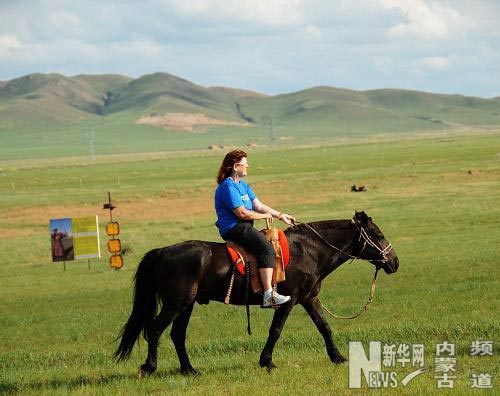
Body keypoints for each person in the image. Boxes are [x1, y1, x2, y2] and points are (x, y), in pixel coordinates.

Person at [214, 149, 295, 307]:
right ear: (236, 166)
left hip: (244, 226)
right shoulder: (228, 187)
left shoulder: (243, 185)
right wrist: (263, 217)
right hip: (234, 227)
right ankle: (268, 295)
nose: (248, 166)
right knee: (266, 249)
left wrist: (280, 215)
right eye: (245, 164)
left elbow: (258, 205)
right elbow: (242, 213)